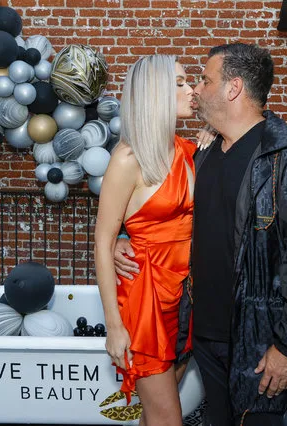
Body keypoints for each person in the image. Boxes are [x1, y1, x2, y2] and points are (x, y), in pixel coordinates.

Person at [114, 43, 287, 426]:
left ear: (233, 88)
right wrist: (123, 238)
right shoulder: (202, 155)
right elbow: (165, 212)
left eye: (205, 80)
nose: (196, 90)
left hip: (259, 344)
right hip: (203, 337)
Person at [94, 54, 196, 426]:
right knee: (169, 419)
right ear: (155, 93)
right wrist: (114, 326)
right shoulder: (127, 159)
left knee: (153, 416)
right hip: (146, 304)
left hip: (185, 299)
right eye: (181, 83)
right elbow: (102, 243)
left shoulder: (188, 150)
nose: (191, 90)